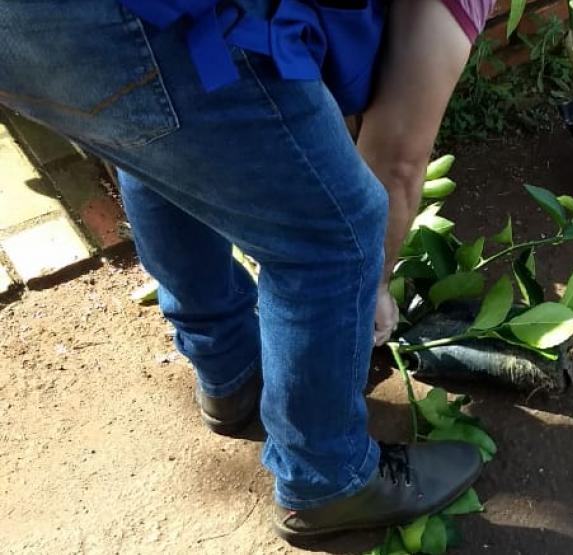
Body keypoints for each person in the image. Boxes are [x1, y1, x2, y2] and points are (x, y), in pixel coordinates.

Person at [0, 0, 492, 546]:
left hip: (25, 39)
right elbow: (397, 158)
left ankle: (228, 372)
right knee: (334, 236)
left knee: (164, 144)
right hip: (134, 23)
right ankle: (328, 478)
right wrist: (372, 284)